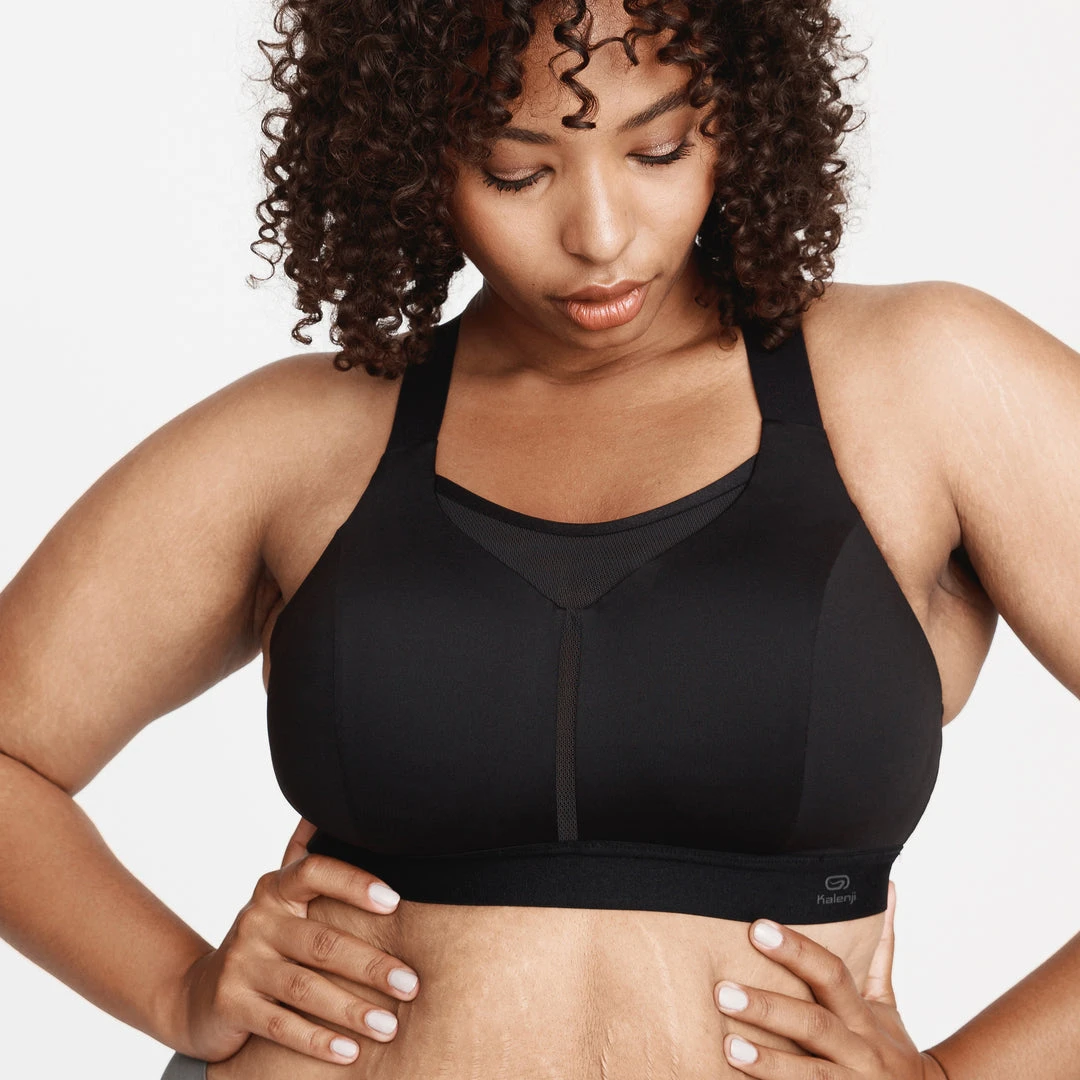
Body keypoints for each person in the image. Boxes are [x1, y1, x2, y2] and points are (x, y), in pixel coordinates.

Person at [1, 1, 1078, 1079]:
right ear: (408, 154)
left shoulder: (925, 384)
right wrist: (173, 987)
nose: (599, 235)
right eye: (516, 172)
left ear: (741, 114)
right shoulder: (298, 440)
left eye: (659, 150)